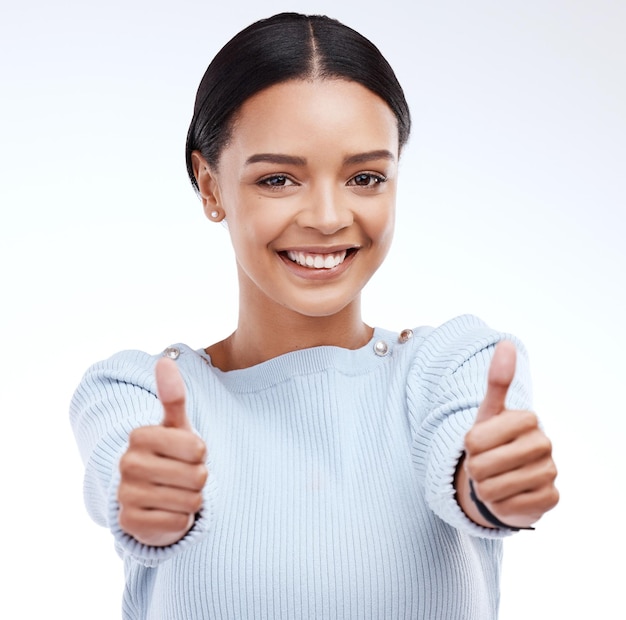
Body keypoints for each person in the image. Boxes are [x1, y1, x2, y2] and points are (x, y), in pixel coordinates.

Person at [70, 12, 558, 619]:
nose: (328, 217)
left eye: (365, 177)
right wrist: (146, 498)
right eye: (279, 178)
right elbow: (124, 472)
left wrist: (492, 485)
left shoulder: (456, 366)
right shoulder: (139, 392)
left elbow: (469, 464)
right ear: (210, 185)